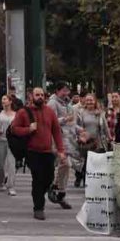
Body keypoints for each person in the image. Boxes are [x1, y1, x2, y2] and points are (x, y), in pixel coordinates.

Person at [11, 87, 66, 221]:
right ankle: (38, 208)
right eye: (37, 95)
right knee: (37, 179)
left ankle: (45, 192)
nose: (40, 97)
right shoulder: (23, 112)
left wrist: (61, 151)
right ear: (31, 96)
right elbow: (14, 129)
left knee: (48, 178)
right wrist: (28, 129)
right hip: (32, 152)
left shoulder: (50, 112)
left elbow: (56, 132)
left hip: (47, 152)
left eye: (42, 95)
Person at [47, 82, 74, 210]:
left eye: (67, 90)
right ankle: (56, 187)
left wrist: (79, 132)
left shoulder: (67, 103)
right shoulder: (52, 103)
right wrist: (64, 120)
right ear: (57, 91)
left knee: (65, 165)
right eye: (63, 90)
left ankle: (59, 190)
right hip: (56, 138)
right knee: (65, 164)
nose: (66, 93)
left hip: (66, 138)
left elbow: (71, 122)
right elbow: (49, 121)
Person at [75, 94, 110, 187]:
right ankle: (81, 178)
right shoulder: (81, 112)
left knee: (94, 162)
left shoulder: (99, 112)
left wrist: (109, 137)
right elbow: (75, 125)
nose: (89, 102)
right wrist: (81, 133)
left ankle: (91, 182)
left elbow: (105, 127)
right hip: (85, 141)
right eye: (87, 100)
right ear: (85, 102)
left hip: (96, 141)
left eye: (91, 100)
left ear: (95, 101)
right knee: (85, 162)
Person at [0, 95, 18, 196]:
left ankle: (11, 186)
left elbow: (18, 126)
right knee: (0, 164)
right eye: (2, 99)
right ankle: (0, 181)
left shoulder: (16, 114)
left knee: (12, 164)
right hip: (0, 141)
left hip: (12, 141)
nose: (3, 101)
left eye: (5, 99)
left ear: (10, 101)